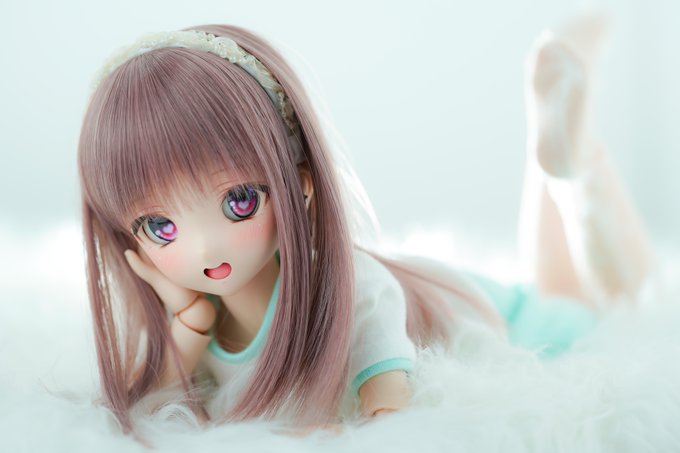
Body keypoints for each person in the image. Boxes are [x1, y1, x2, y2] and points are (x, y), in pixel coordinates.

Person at [77, 16, 655, 438]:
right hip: (471, 296)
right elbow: (150, 410)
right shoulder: (202, 318)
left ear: (301, 185)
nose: (205, 246)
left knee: (611, 298)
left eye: (239, 201)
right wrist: (189, 320)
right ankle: (554, 156)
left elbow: (392, 417)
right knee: (558, 274)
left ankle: (577, 163)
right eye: (160, 226)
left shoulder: (353, 288)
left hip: (519, 325)